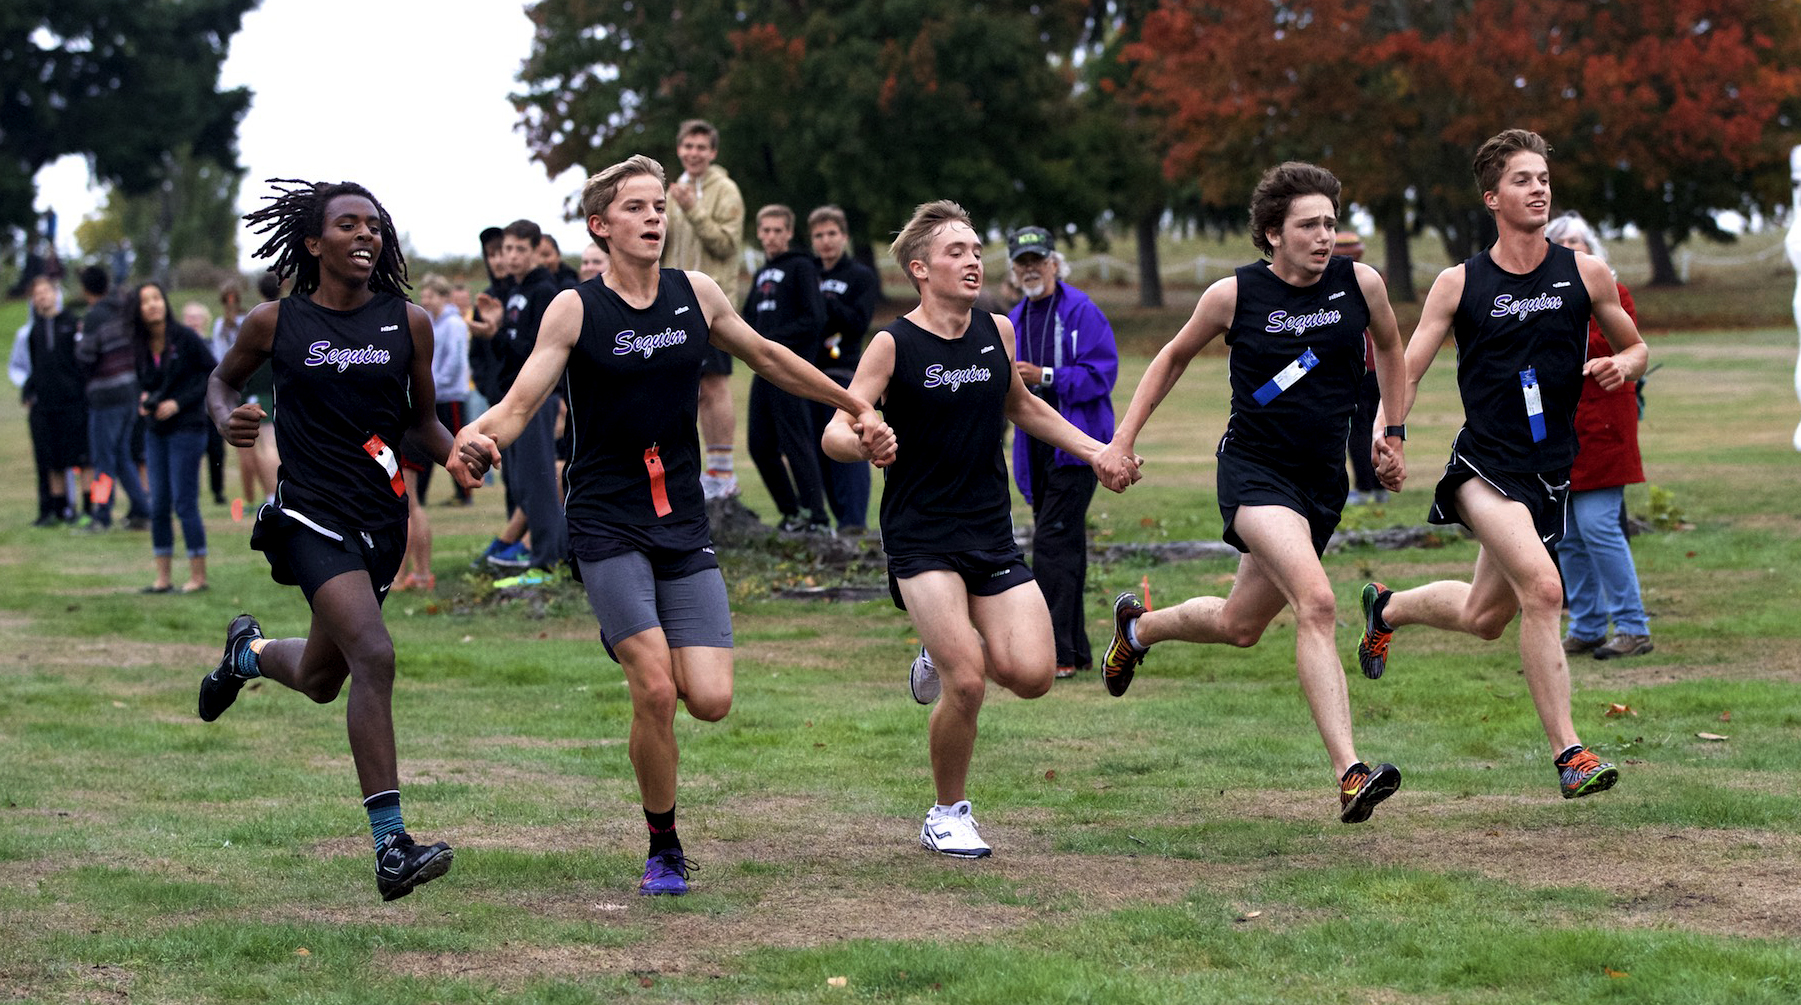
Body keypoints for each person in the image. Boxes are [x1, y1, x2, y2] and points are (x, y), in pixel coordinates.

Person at [450, 155, 893, 896]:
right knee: (654, 690)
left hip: (680, 518)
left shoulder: (698, 292)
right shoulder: (575, 308)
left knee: (710, 700)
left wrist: (851, 403)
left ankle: (630, 629)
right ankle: (664, 844)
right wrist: (481, 434)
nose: (654, 217)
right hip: (605, 517)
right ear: (600, 225)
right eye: (636, 208)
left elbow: (769, 356)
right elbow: (524, 398)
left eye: (659, 205)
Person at [823, 200, 1137, 858]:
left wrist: (1094, 451)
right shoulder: (893, 342)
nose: (972, 260)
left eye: (974, 249)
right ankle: (946, 812)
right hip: (920, 533)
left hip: (988, 528)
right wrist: (866, 441)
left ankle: (938, 651)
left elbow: (1021, 406)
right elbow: (835, 430)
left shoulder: (997, 329)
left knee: (1033, 673)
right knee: (967, 680)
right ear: (919, 268)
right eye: (955, 251)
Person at [1096, 164, 1409, 823]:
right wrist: (1121, 439)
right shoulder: (1233, 295)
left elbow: (1390, 345)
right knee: (1317, 602)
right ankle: (1349, 772)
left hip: (1322, 482)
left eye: (1329, 222)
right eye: (1308, 225)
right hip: (1254, 473)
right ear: (1272, 232)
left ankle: (1138, 627)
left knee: (1240, 626)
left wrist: (1391, 430)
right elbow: (1171, 357)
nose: (1324, 236)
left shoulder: (1360, 283)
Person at [1357, 129, 1649, 799]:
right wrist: (1386, 430)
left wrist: (1618, 364)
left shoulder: (1584, 272)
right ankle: (1568, 753)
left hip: (1549, 471)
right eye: (1521, 179)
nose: (1538, 188)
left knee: (1484, 618)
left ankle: (1387, 609)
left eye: (1542, 177)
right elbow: (1407, 364)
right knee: (1544, 591)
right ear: (1491, 197)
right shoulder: (1459, 283)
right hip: (1482, 469)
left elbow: (1637, 349)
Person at [199, 178, 458, 901]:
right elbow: (219, 384)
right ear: (314, 243)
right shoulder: (273, 322)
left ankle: (244, 653)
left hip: (383, 520)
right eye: (348, 225)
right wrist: (229, 420)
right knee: (373, 653)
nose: (365, 235)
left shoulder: (408, 322)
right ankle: (391, 848)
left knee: (321, 677)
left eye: (372, 225)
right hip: (310, 518)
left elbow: (419, 423)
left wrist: (456, 451)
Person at [1005, 226, 1120, 678]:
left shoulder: (1081, 310)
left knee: (1052, 547)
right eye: (1022, 263)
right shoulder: (1012, 319)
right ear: (1013, 271)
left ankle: (1056, 654)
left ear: (1054, 263)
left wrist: (1045, 376)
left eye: (1037, 260)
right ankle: (1076, 651)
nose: (1030, 269)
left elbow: (1101, 376)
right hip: (1031, 451)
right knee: (1063, 547)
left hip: (1076, 449)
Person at [1543, 212, 1653, 660]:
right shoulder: (1538, 294)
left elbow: (1625, 348)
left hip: (1605, 423)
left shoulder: (1610, 291)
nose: (1574, 247)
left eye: (1581, 240)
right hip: (1555, 427)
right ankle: (1586, 625)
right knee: (1567, 533)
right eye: (1563, 241)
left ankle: (1632, 626)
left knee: (1599, 525)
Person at [474, 219, 567, 570]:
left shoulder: (544, 291)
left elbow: (537, 351)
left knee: (539, 482)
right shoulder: (512, 291)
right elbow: (510, 350)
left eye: (518, 249)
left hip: (536, 399)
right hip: (510, 399)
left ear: (535, 251)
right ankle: (535, 555)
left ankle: (546, 562)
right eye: (506, 249)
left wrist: (502, 332)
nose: (510, 256)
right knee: (520, 485)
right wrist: (494, 331)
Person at [661, 119, 747, 500]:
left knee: (713, 385)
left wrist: (694, 209)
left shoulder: (726, 191)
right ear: (679, 149)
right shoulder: (671, 192)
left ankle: (723, 472)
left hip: (713, 305)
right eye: (687, 146)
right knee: (684, 389)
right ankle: (689, 469)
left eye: (701, 147)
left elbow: (727, 246)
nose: (693, 153)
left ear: (713, 152)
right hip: (674, 302)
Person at [743, 204, 830, 532]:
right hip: (762, 369)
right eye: (764, 230)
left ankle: (816, 516)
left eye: (777, 230)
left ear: (789, 233)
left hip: (790, 368)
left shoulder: (801, 267)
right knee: (759, 445)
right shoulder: (762, 272)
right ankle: (791, 512)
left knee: (796, 440)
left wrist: (771, 341)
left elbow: (815, 318)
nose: (770, 236)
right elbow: (748, 317)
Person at [132, 282, 215, 592]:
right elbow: (146, 382)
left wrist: (178, 402)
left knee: (184, 502)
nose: (152, 305)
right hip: (156, 430)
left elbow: (213, 373)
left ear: (164, 302)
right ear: (138, 310)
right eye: (145, 301)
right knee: (158, 504)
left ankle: (198, 577)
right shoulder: (139, 344)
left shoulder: (186, 338)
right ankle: (163, 578)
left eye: (156, 298)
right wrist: (144, 399)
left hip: (188, 427)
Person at [395, 273, 470, 591]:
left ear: (444, 297)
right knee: (411, 498)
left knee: (409, 500)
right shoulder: (428, 323)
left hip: (443, 402)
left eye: (431, 296)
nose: (426, 301)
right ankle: (415, 573)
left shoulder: (452, 325)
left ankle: (414, 574)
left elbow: (450, 366)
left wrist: (423, 387)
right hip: (426, 404)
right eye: (422, 296)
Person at [808, 205, 879, 535]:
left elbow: (857, 323)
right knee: (819, 450)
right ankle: (835, 522)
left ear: (845, 236)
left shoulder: (860, 276)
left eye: (831, 234)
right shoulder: (807, 272)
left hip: (844, 374)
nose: (825, 241)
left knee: (847, 448)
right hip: (808, 374)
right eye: (819, 235)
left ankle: (854, 524)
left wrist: (824, 304)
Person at [73, 265, 151, 531]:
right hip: (130, 392)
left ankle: (102, 514)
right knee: (120, 457)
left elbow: (85, 357)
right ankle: (142, 509)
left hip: (105, 397)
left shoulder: (95, 316)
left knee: (103, 460)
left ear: (85, 289)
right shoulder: (124, 309)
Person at [12, 275, 89, 526]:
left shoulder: (72, 323)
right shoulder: (32, 332)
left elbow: (81, 363)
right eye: (37, 294)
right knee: (52, 460)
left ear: (55, 294)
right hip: (45, 405)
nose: (41, 297)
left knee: (81, 457)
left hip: (74, 403)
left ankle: (88, 508)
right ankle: (58, 510)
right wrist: (29, 391)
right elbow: (34, 368)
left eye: (45, 292)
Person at [1334, 231, 1386, 505]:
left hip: (1357, 368)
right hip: (1378, 366)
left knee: (1358, 429)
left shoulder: (1336, 283)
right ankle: (1379, 486)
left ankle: (1365, 487)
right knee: (1378, 424)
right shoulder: (1372, 278)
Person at [186, 300, 229, 506]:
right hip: (188, 409)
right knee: (189, 455)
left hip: (210, 408)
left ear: (205, 320)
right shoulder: (179, 348)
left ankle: (218, 491)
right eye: (189, 317)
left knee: (216, 452)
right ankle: (189, 491)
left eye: (197, 317)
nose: (193, 321)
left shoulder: (214, 345)